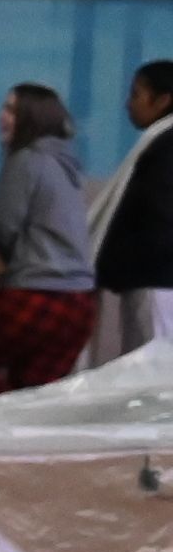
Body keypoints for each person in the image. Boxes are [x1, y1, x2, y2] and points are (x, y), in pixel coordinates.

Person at [0, 81, 97, 399]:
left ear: (31, 117)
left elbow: (3, 221)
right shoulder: (68, 166)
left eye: (11, 110)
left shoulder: (26, 160)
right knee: (34, 394)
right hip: (80, 304)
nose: (0, 116)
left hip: (37, 290)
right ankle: (15, 421)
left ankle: (1, 418)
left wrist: (9, 254)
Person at [88, 59, 173, 364]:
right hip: (152, 280)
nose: (128, 104)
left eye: (136, 94)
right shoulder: (158, 143)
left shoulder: (165, 148)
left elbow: (158, 220)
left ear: (162, 100)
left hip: (157, 282)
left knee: (150, 373)